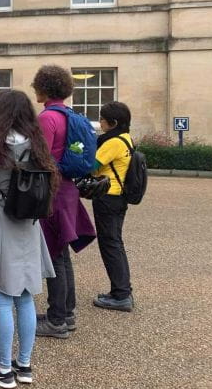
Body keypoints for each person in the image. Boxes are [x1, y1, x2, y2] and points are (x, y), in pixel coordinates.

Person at [0, 90, 58, 389]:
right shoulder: (37, 144)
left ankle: (3, 369)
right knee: (26, 295)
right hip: (29, 222)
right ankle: (24, 365)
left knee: (2, 295)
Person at [32, 65, 95, 339]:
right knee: (62, 254)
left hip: (53, 192)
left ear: (44, 88)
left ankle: (57, 320)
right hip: (68, 190)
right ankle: (66, 313)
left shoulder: (47, 118)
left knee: (54, 255)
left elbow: (39, 160)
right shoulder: (70, 115)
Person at [90, 101, 135, 312]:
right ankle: (120, 290)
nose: (100, 122)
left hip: (107, 197)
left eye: (102, 119)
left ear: (113, 122)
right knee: (114, 243)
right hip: (118, 197)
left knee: (110, 245)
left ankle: (121, 295)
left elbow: (92, 166)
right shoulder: (126, 138)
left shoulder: (113, 142)